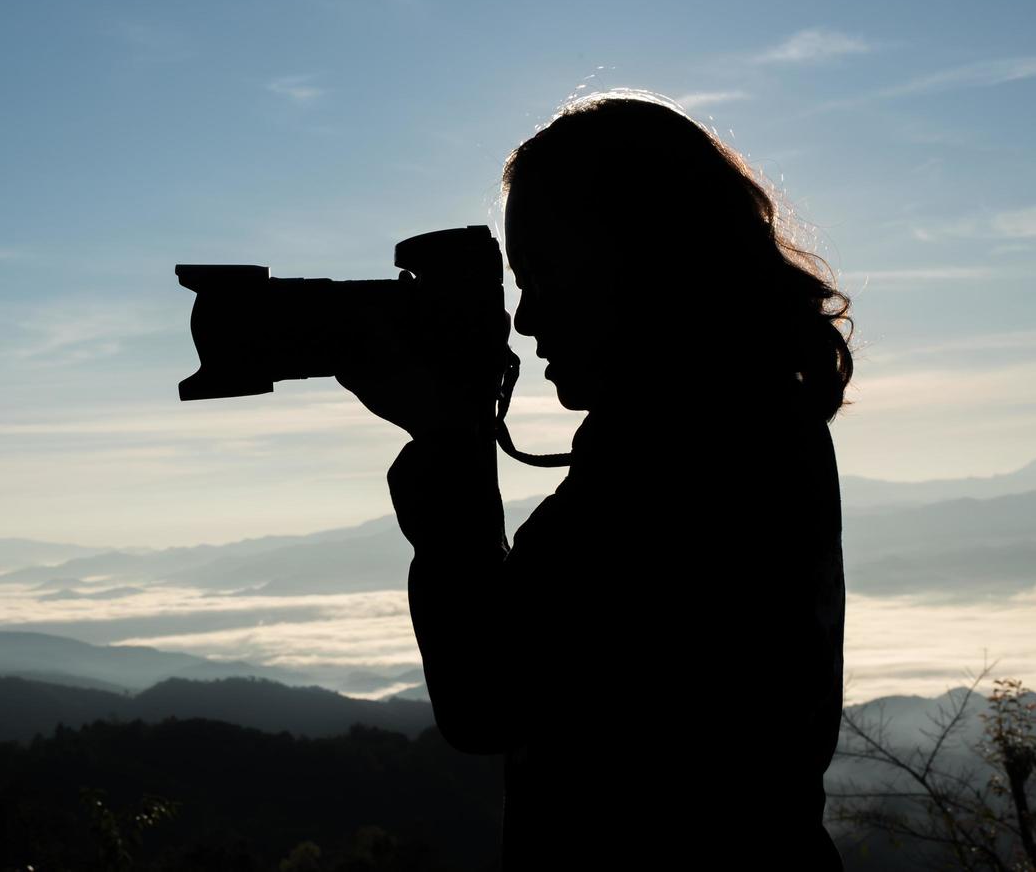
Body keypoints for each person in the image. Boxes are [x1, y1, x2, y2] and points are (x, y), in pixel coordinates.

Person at [339, 90, 852, 869]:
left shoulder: (678, 457)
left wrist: (449, 442)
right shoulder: (746, 416)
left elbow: (484, 697)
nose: (522, 320)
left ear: (638, 258)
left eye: (541, 275)